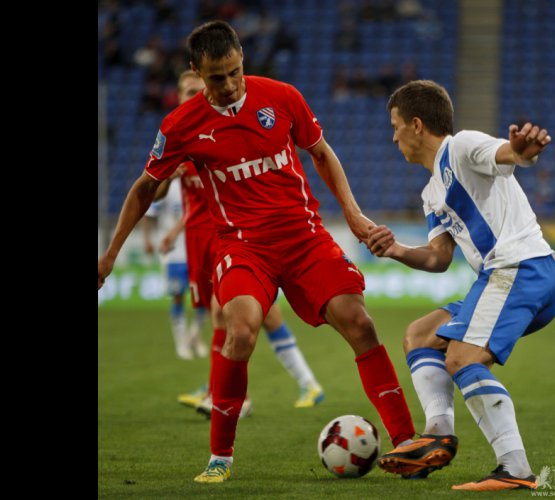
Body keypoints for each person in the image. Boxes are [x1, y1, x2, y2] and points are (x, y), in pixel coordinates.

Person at [97, 21, 419, 484]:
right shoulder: (182, 125)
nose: (227, 85)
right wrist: (110, 255)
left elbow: (321, 153)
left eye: (233, 72)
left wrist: (351, 213)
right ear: (195, 72)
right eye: (215, 78)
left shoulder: (282, 96)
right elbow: (145, 187)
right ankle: (220, 457)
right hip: (243, 247)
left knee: (359, 322)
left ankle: (407, 443)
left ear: (242, 57)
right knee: (241, 330)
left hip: (305, 238)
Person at [367, 80, 555, 491]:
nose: (393, 135)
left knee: (460, 358)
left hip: (521, 267)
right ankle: (437, 432)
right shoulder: (431, 191)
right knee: (420, 336)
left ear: (417, 125)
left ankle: (515, 469)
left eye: (396, 124)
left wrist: (521, 152)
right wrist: (395, 250)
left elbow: (503, 154)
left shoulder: (461, 146)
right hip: (501, 277)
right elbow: (439, 258)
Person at [165, 70, 325, 413]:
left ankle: (238, 394)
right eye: (185, 92)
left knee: (236, 315)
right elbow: (158, 188)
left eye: (196, 90)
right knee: (232, 318)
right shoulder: (183, 134)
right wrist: (174, 229)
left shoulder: (222, 133)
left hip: (236, 241)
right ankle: (224, 388)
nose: (191, 97)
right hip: (201, 242)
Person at [141, 177, 209, 360]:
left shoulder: (197, 182)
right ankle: (181, 343)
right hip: (173, 253)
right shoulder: (167, 187)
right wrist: (146, 239)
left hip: (197, 248)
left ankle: (193, 337)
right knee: (178, 296)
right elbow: (149, 212)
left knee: (203, 298)